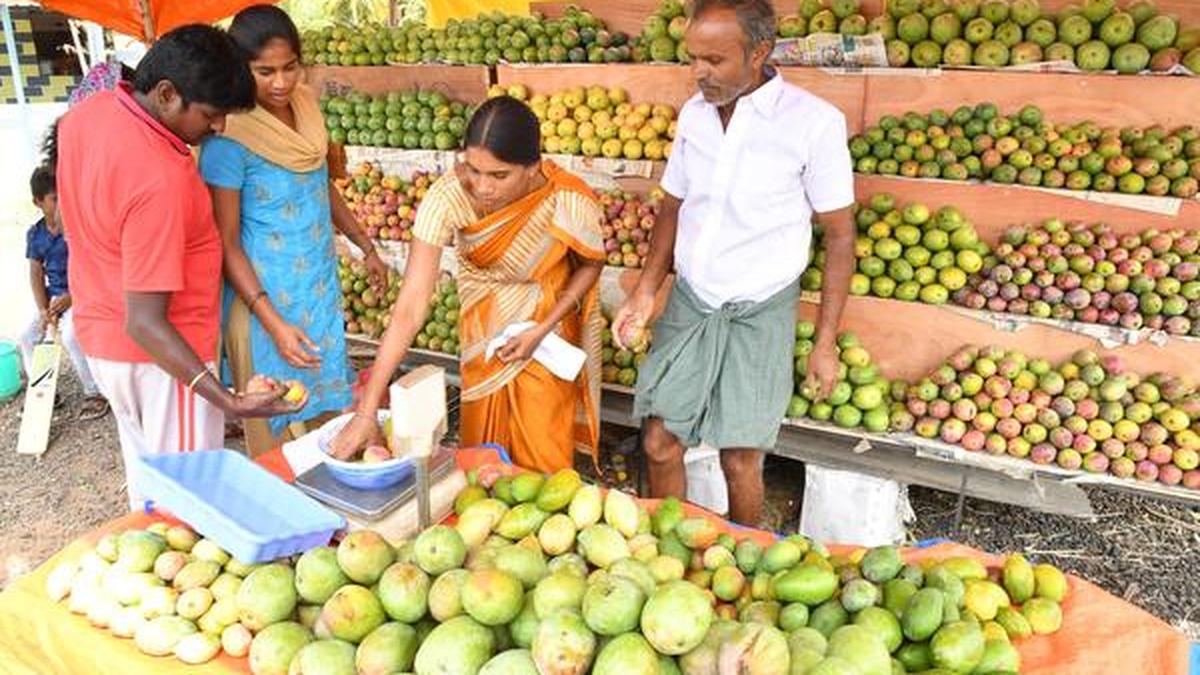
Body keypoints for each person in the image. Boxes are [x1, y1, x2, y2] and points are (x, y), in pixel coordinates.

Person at [612, 0, 856, 526]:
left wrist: (826, 342)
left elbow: (839, 236)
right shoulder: (693, 117)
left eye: (715, 60)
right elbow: (673, 206)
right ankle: (667, 547)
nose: (700, 72)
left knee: (741, 459)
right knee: (658, 441)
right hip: (693, 301)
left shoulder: (814, 123)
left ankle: (744, 562)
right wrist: (645, 291)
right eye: (693, 58)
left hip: (760, 308)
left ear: (760, 53)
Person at [55, 24, 304, 510]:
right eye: (211, 116)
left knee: (151, 488)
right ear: (166, 94)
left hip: (103, 341)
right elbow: (146, 320)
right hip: (163, 361)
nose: (218, 129)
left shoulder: (88, 115)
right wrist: (225, 399)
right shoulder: (160, 179)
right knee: (192, 500)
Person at [331, 96, 606, 473]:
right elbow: (410, 308)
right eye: (473, 170)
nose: (483, 187)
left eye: (499, 176)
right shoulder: (447, 197)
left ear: (533, 168)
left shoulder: (566, 199)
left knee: (543, 468)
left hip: (547, 332)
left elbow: (591, 264)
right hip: (482, 332)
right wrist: (366, 411)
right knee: (483, 463)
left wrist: (543, 327)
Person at [200, 5, 387, 456]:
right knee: (277, 437)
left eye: (290, 68)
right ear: (241, 69)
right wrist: (275, 323)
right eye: (264, 71)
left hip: (315, 293)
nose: (281, 83)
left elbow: (319, 185)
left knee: (329, 422)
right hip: (264, 306)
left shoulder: (306, 108)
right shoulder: (229, 136)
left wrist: (366, 245)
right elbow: (226, 244)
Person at [17, 166, 108, 420]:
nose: (61, 204)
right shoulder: (36, 234)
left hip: (83, 292)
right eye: (55, 199)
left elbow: (92, 268)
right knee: (26, 334)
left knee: (71, 336)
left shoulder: (75, 228)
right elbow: (36, 273)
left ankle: (95, 393)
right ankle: (43, 392)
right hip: (54, 297)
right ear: (38, 202)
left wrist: (73, 296)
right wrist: (43, 309)